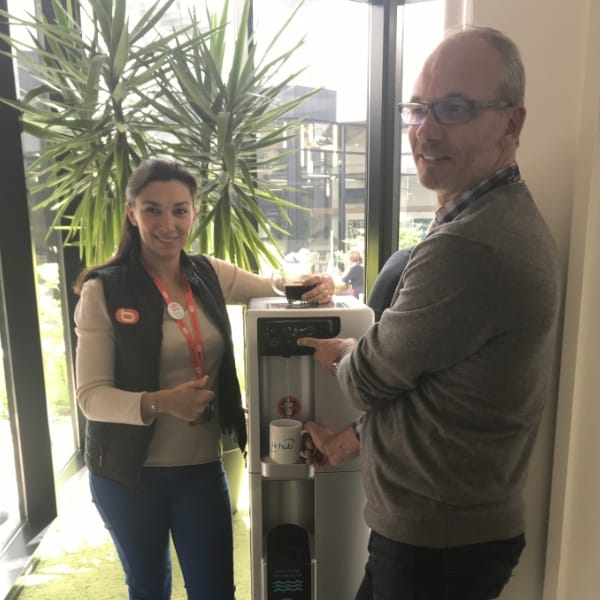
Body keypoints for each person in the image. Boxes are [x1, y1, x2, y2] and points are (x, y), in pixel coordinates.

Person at [298, 26, 561, 600]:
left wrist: (346, 354)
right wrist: (349, 438)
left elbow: (368, 380)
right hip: (443, 536)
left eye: (455, 108)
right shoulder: (498, 216)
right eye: (418, 108)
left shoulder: (468, 246)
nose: (426, 129)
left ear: (511, 124)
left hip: (436, 547)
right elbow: (438, 392)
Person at [73, 158, 335, 600]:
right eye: (152, 210)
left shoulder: (207, 273)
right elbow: (90, 397)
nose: (168, 224)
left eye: (180, 210)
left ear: (193, 213)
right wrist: (161, 401)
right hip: (127, 472)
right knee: (149, 588)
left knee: (215, 590)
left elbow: (275, 288)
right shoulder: (104, 289)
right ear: (131, 213)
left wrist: (319, 285)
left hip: (200, 468)